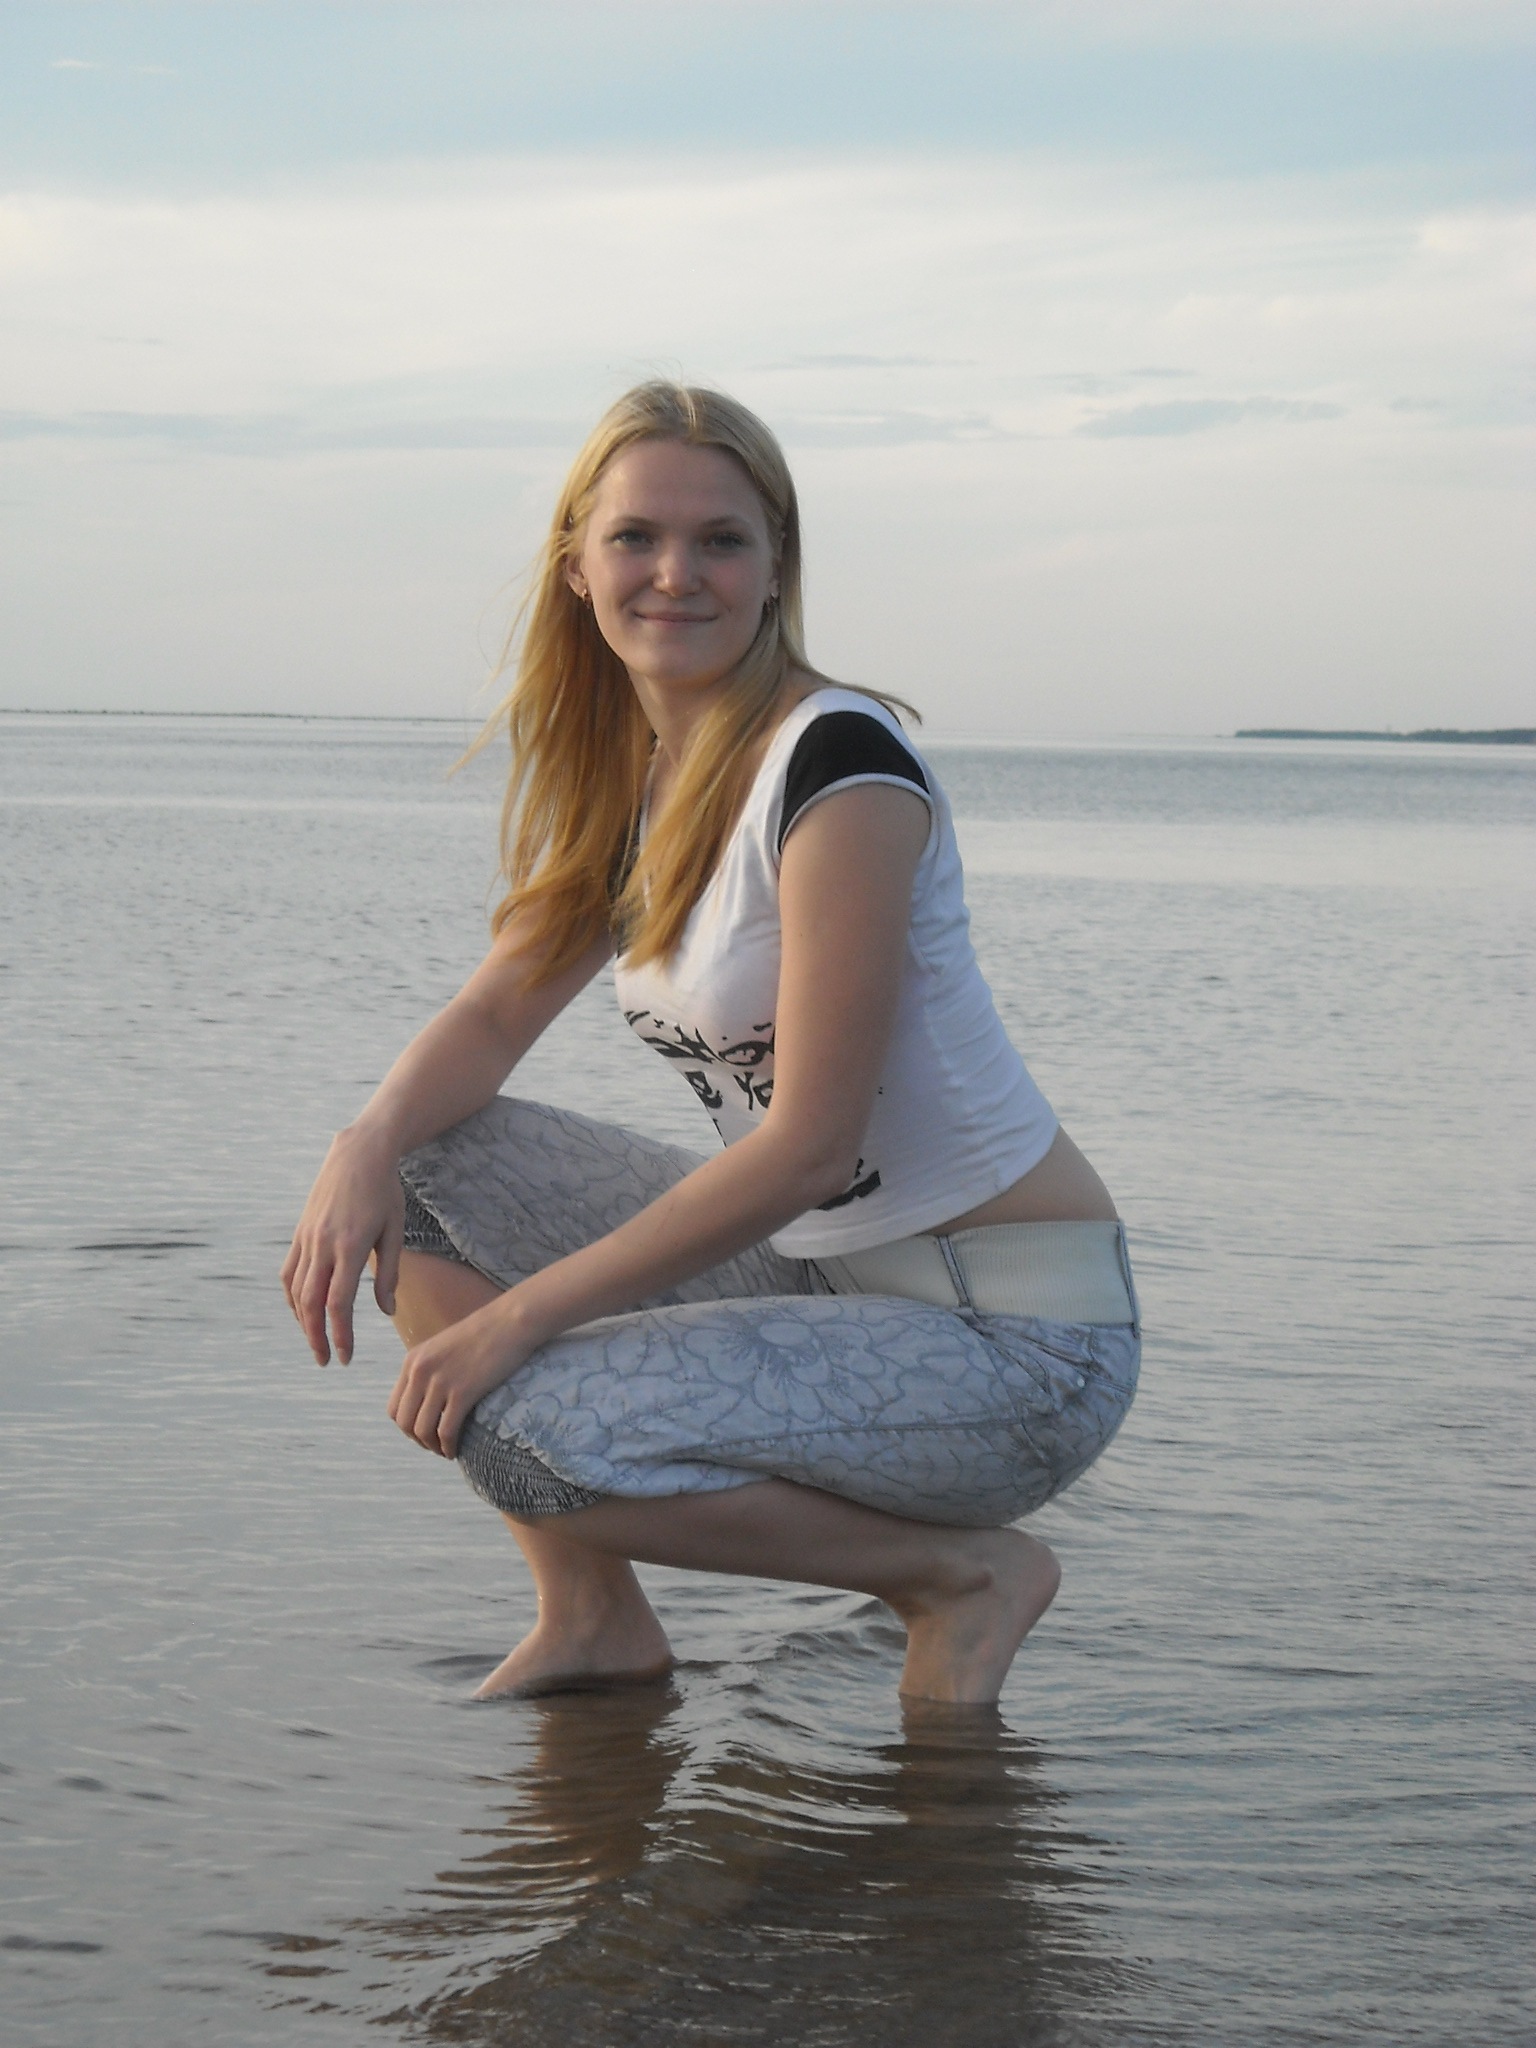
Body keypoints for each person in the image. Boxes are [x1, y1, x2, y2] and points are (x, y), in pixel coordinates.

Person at [282, 382, 1140, 1708]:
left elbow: (810, 1150)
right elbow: (498, 1014)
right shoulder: (647, 774)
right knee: (422, 1165)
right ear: (577, 564)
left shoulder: (838, 767)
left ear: (776, 565)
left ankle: (958, 1578)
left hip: (1013, 1340)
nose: (676, 573)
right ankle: (592, 1622)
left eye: (721, 540)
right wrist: (363, 1141)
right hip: (825, 1282)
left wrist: (515, 1323)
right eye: (636, 537)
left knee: (524, 1429)